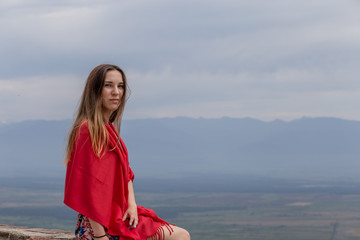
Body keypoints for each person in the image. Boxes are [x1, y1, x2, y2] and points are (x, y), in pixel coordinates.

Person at [64, 64, 191, 240]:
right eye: (108, 85)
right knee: (180, 236)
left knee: (180, 235)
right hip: (100, 225)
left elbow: (126, 174)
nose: (116, 92)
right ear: (95, 90)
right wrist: (100, 236)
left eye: (120, 86)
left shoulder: (108, 128)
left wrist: (132, 204)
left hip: (119, 214)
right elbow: (87, 185)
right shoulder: (88, 130)